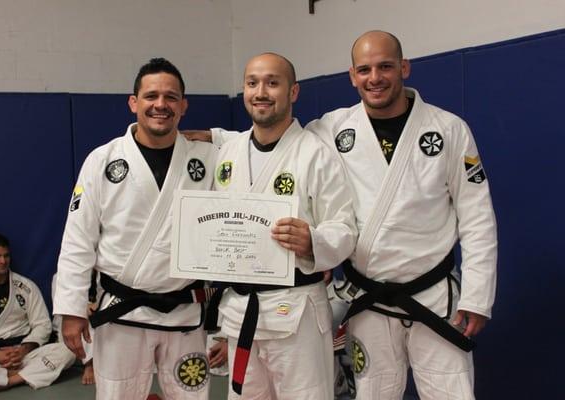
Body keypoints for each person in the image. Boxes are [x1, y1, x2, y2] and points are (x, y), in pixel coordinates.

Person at [303, 31, 498, 400]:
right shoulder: (332, 129)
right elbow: (282, 146)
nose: (374, 77)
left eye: (385, 67)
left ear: (404, 68)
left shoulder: (448, 129)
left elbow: (478, 218)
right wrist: (219, 141)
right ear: (352, 75)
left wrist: (477, 296)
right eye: (364, 69)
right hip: (369, 299)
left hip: (437, 301)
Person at [53, 58, 218, 400]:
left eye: (171, 97)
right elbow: (78, 239)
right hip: (121, 312)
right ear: (134, 102)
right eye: (151, 96)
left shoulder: (209, 158)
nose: (161, 104)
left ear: (184, 106)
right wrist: (70, 310)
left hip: (186, 313)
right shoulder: (102, 160)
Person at [208, 53, 357, 400]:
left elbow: (344, 227)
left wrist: (313, 242)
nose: (261, 92)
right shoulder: (228, 153)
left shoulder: (315, 153)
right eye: (252, 83)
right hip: (240, 310)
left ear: (293, 92)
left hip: (297, 313)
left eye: (272, 83)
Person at [0, 234, 75, 398]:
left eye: (6, 255)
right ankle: (22, 376)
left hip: (25, 355)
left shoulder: (27, 287)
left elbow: (43, 325)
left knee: (68, 350)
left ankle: (5, 382)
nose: (3, 261)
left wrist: (23, 350)